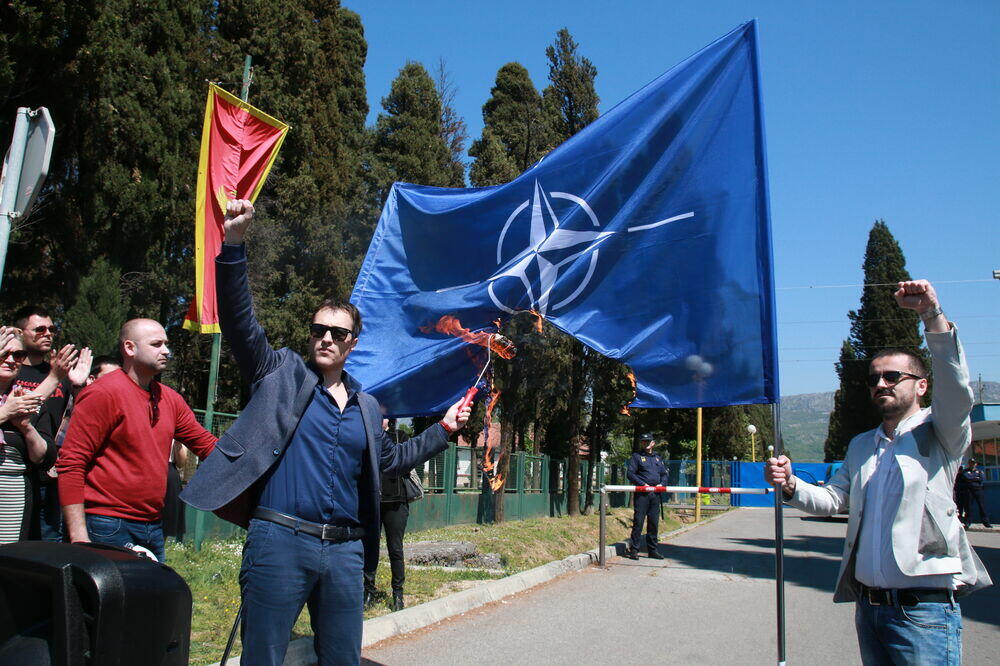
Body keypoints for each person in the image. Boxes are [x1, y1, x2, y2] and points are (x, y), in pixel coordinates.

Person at [181, 199, 471, 666]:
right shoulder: (280, 373)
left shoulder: (367, 406)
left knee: (341, 658)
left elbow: (390, 463)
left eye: (338, 333)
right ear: (310, 334)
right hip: (279, 541)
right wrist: (233, 246)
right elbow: (239, 324)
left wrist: (444, 428)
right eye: (319, 330)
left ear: (353, 343)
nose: (327, 339)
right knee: (264, 658)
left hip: (345, 551)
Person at [766, 280, 992, 665]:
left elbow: (956, 389)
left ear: (921, 386)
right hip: (869, 609)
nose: (881, 384)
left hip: (924, 615)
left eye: (892, 377)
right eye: (873, 379)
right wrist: (790, 485)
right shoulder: (860, 445)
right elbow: (835, 500)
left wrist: (931, 316)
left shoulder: (942, 431)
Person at [57, 319, 217, 562]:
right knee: (109, 600)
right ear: (129, 348)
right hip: (106, 525)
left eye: (166, 344)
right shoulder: (102, 393)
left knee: (149, 600)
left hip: (152, 525)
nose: (166, 350)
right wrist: (79, 537)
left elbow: (207, 446)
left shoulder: (169, 399)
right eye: (156, 344)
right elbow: (71, 463)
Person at [11, 306, 92, 542]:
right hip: (14, 471)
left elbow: (79, 417)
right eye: (39, 329)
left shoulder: (62, 373)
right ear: (19, 331)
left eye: (52, 329)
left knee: (47, 543)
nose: (47, 333)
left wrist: (78, 386)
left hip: (49, 475)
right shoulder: (9, 368)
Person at [364, 420, 421, 612]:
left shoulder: (400, 437)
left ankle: (398, 594)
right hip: (372, 502)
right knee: (369, 548)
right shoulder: (366, 437)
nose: (380, 418)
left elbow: (407, 461)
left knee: (395, 548)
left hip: (396, 502)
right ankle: (368, 592)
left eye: (384, 415)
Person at [0, 328, 51, 544]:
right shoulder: (12, 406)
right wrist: (5, 413)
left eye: (18, 355)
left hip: (14, 502)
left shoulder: (27, 399)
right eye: (4, 354)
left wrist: (26, 428)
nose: (11, 360)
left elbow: (45, 457)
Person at [624, 433, 668, 560]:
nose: (645, 444)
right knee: (638, 522)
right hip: (642, 495)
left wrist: (661, 484)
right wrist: (643, 484)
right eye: (643, 442)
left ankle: (653, 550)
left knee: (653, 523)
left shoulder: (658, 458)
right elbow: (631, 474)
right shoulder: (637, 457)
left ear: (653, 443)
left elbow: (664, 474)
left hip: (655, 494)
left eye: (648, 441)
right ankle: (634, 550)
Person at [958, 460, 991, 528]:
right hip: (969, 490)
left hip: (978, 490)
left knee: (982, 506)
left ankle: (986, 523)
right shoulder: (965, 471)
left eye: (973, 463)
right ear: (968, 464)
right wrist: (976, 478)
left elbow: (982, 479)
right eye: (970, 463)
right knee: (968, 507)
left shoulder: (979, 471)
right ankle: (968, 522)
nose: (972, 464)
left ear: (976, 464)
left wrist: (972, 479)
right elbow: (967, 478)